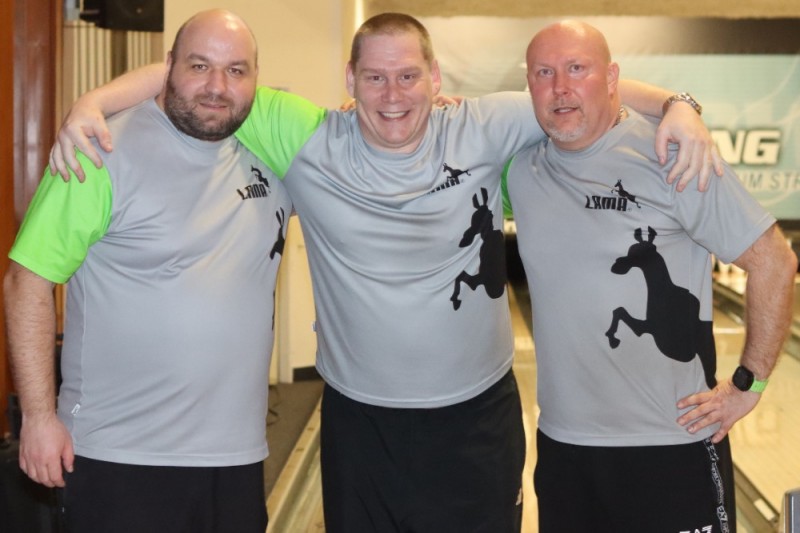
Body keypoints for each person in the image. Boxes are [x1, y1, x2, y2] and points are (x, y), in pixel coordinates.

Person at [48, 13, 722, 532]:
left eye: (407, 77)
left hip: (475, 420)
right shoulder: (307, 137)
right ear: (350, 81)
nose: (392, 94)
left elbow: (577, 90)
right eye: (374, 78)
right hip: (360, 422)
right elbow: (202, 75)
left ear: (436, 78)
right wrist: (93, 103)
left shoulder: (484, 125)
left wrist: (678, 103)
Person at [1, 9, 317, 533]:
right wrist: (37, 416)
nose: (217, 86)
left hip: (236, 460)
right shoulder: (98, 153)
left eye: (236, 70)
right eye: (199, 66)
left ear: (257, 79)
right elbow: (26, 282)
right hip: (119, 456)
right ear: (168, 66)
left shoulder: (273, 149)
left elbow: (373, 137)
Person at [504, 20, 797, 533]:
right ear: (528, 84)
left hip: (671, 442)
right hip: (565, 449)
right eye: (544, 73)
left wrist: (748, 385)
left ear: (612, 77)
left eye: (578, 68)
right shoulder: (520, 168)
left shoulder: (672, 155)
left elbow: (775, 260)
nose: (561, 86)